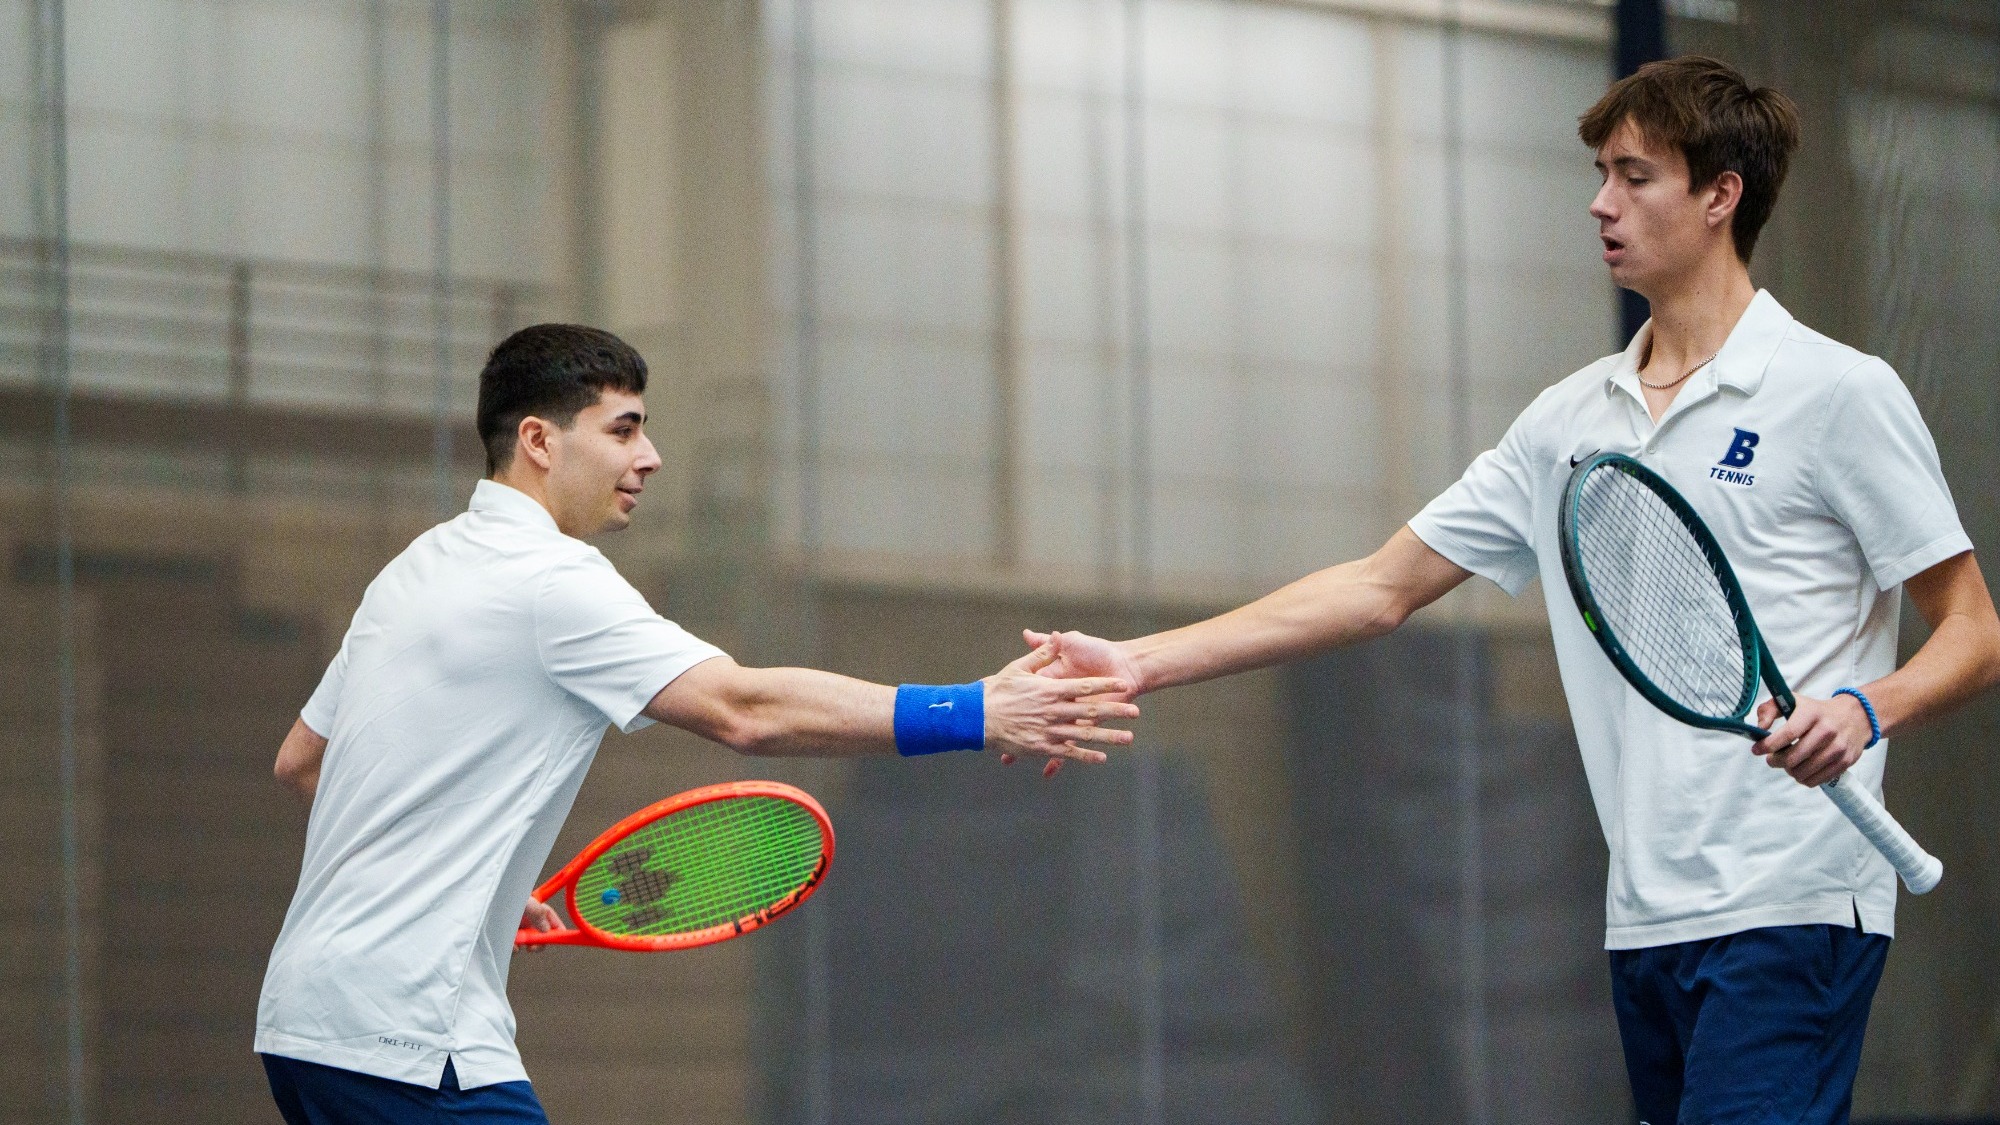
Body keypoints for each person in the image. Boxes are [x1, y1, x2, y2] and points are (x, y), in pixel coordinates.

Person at [1017, 56, 2000, 1123]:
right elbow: (1377, 586)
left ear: (1720, 196)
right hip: (1644, 920)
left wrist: (1864, 709)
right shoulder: (1564, 423)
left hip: (1792, 903)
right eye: (1597, 173)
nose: (1598, 202)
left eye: (1633, 176)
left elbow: (1971, 632)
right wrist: (1138, 662)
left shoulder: (1839, 393)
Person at [254, 324, 1139, 1124]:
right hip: (408, 1037)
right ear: (537, 440)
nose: (652, 456)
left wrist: (462, 874)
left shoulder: (412, 570)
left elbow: (303, 759)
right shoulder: (553, 580)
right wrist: (975, 710)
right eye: (623, 428)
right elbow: (744, 709)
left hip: (304, 1022)